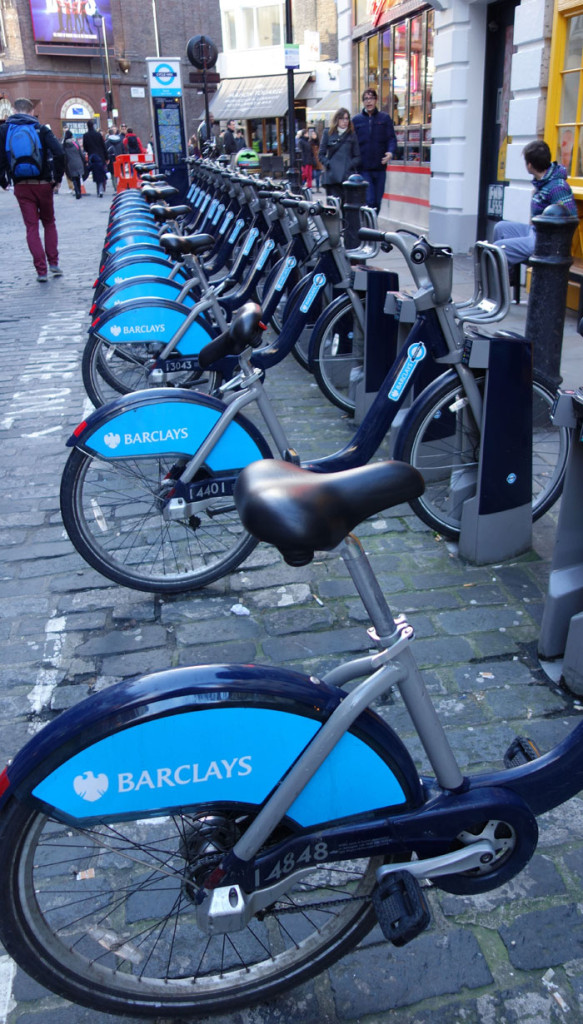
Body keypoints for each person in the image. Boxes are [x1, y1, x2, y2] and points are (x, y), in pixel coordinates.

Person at [0, 97, 65, 282]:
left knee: (31, 227)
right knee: (49, 223)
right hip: (43, 184)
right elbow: (59, 153)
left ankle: (41, 271)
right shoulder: (41, 129)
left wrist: (4, 182)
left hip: (21, 186)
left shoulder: (5, 130)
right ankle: (54, 263)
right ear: (31, 111)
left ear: (14, 110)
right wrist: (57, 179)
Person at [493, 139, 578, 267]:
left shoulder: (557, 187)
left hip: (545, 241)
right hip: (534, 231)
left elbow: (571, 218)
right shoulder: (543, 182)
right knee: (500, 228)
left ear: (530, 165)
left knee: (498, 249)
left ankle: (497, 283)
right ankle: (506, 274)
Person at [352, 88, 397, 212]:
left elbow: (391, 139)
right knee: (370, 200)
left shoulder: (384, 118)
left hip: (380, 166)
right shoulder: (356, 120)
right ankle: (369, 227)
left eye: (371, 98)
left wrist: (390, 152)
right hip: (364, 167)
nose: (368, 101)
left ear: (376, 100)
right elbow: (351, 142)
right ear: (363, 102)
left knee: (377, 201)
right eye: (366, 99)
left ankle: (371, 225)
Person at [318, 109, 361, 205]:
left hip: (346, 177)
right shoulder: (328, 133)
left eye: (347, 119)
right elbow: (321, 154)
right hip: (332, 177)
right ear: (337, 119)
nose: (345, 121)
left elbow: (357, 157)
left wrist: (348, 165)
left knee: (346, 208)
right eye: (342, 118)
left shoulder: (352, 135)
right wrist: (329, 164)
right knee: (333, 209)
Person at [63, 129, 85, 199]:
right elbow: (81, 153)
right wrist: (84, 160)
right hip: (78, 162)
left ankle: (77, 191)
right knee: (78, 177)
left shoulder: (64, 145)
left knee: (73, 178)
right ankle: (79, 192)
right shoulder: (75, 143)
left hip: (70, 163)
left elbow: (64, 156)